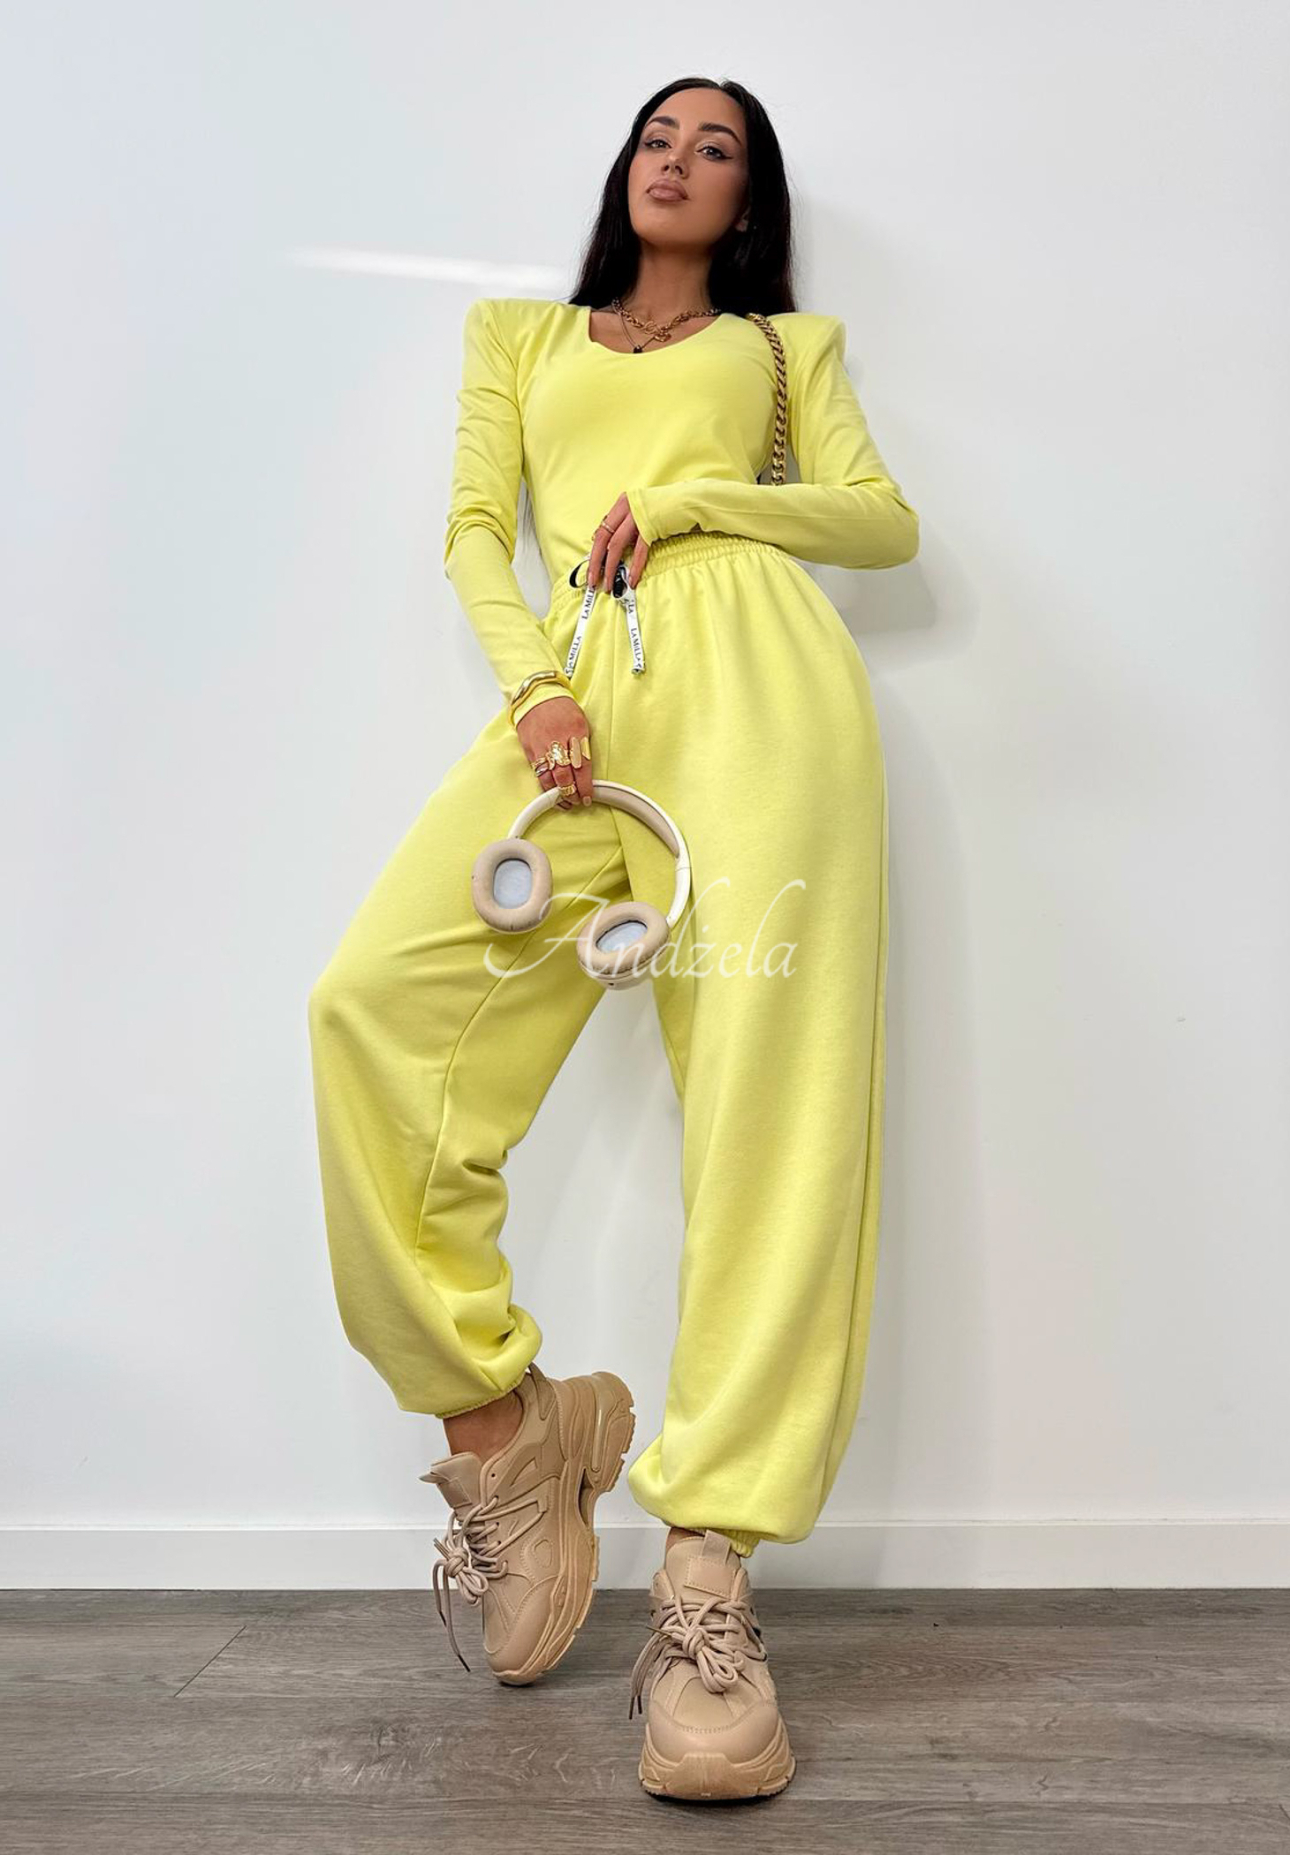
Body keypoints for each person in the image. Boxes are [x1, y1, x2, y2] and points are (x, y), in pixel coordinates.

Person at [307, 74, 918, 1804]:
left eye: (717, 149)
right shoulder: (517, 335)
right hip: (576, 703)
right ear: (623, 167)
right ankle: (508, 1434)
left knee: (771, 1120)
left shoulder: (786, 350)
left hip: (766, 703)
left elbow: (881, 521)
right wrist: (538, 692)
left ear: (746, 200)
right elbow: (473, 534)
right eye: (660, 135)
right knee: (369, 1011)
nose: (679, 160)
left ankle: (706, 1584)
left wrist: (717, 500)